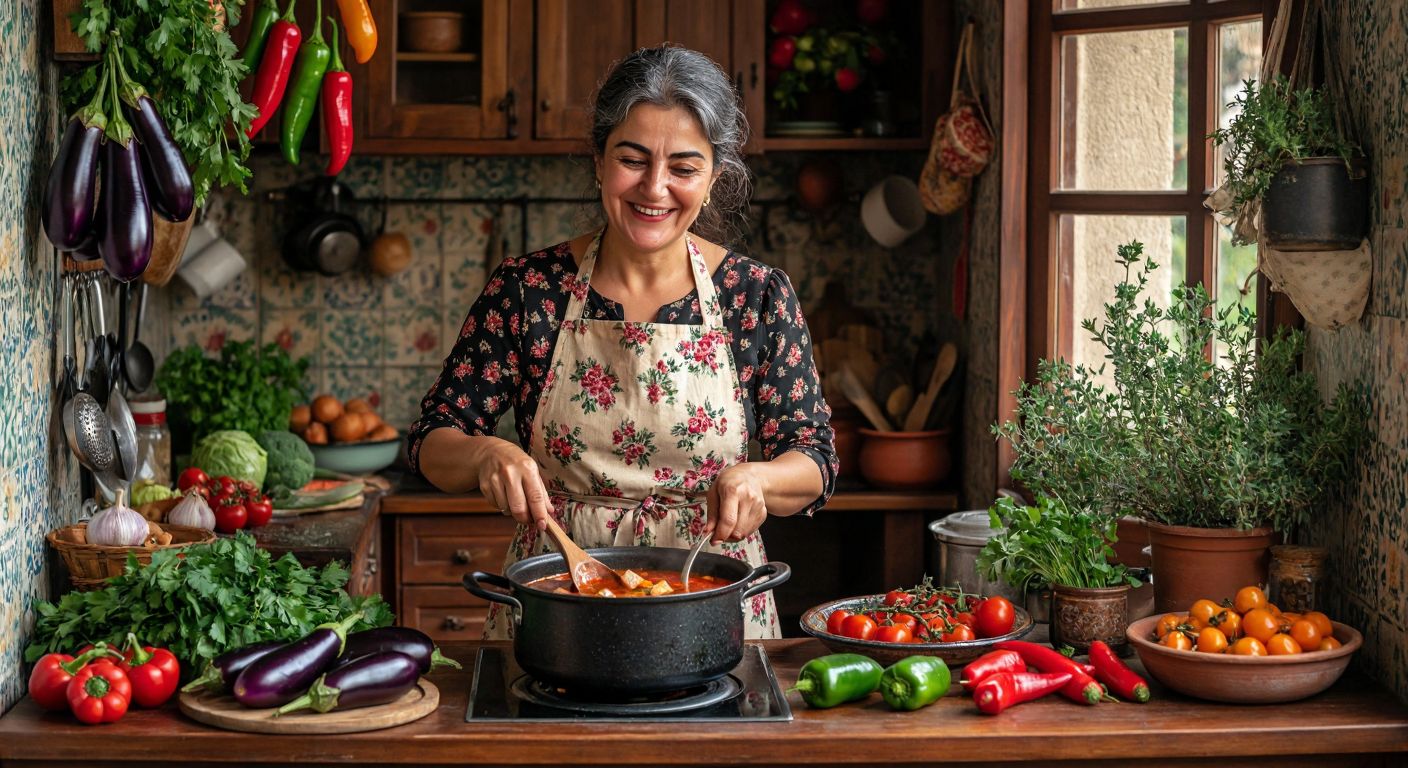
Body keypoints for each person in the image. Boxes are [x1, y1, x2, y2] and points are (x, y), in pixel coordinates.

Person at [407, 45, 836, 640]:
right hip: (557, 606)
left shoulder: (755, 295)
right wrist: (483, 454)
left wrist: (760, 479)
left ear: (713, 178)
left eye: (684, 168)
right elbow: (432, 437)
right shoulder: (530, 289)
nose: (655, 188)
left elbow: (813, 458)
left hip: (711, 610)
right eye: (632, 159)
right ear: (599, 161)